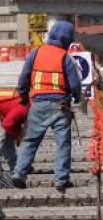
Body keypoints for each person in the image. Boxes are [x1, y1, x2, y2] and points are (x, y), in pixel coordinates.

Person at [12, 20, 82, 193]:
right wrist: (77, 98)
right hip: (61, 106)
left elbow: (24, 78)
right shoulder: (65, 58)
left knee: (30, 141)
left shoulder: (36, 53)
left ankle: (19, 174)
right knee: (63, 144)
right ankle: (61, 180)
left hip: (39, 105)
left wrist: (23, 96)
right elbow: (75, 85)